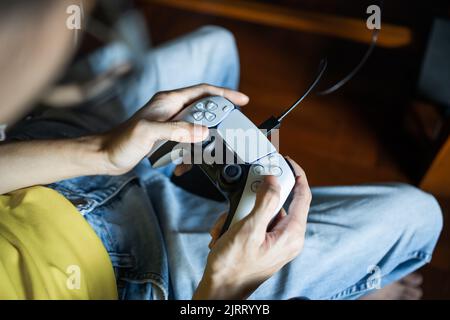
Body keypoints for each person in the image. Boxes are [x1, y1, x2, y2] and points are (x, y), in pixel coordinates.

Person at [0, 0, 443, 300]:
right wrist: (228, 288)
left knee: (214, 47)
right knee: (417, 216)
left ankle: (209, 192)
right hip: (140, 274)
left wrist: (101, 151)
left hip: (54, 168)